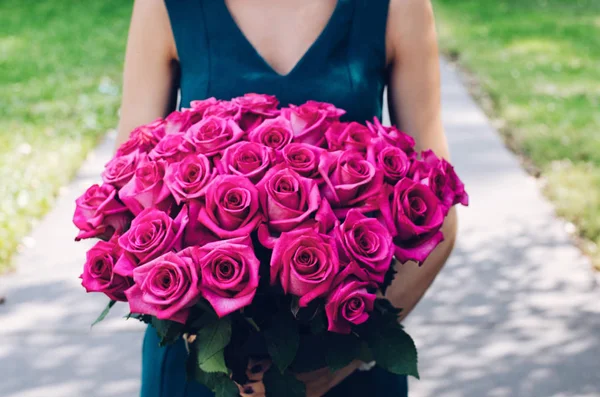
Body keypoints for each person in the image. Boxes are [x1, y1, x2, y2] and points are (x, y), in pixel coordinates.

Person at [114, 0, 457, 396]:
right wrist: (205, 334)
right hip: (202, 366)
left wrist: (343, 357)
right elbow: (128, 186)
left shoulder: (399, 6)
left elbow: (438, 210)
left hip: (342, 362)